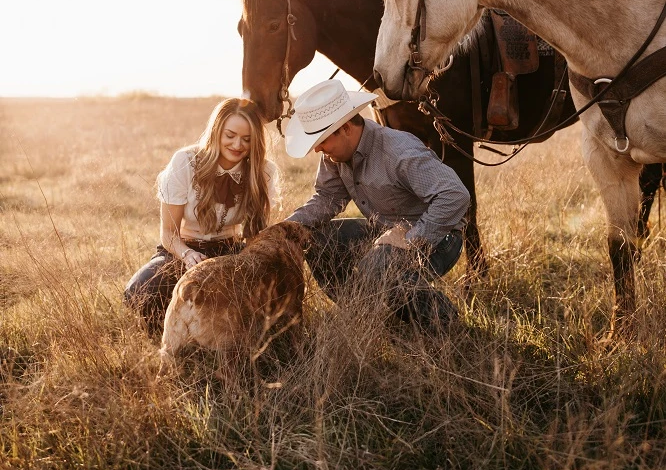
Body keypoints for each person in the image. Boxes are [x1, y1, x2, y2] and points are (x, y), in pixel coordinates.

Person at [285, 79, 470, 330]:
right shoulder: (335, 153)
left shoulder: (399, 151)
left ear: (347, 127)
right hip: (384, 231)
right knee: (316, 240)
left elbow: (455, 195)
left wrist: (410, 239)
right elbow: (328, 198)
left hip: (439, 237)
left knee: (378, 266)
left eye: (322, 139)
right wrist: (285, 228)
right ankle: (361, 312)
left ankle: (445, 322)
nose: (317, 148)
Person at [124, 98, 278, 333]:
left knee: (271, 293)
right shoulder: (185, 161)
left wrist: (246, 265)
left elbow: (257, 235)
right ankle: (168, 336)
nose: (238, 144)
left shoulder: (263, 171)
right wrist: (187, 255)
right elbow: (168, 233)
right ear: (216, 131)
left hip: (231, 250)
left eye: (247, 139)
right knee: (141, 291)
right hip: (181, 250)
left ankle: (232, 339)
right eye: (230, 135)